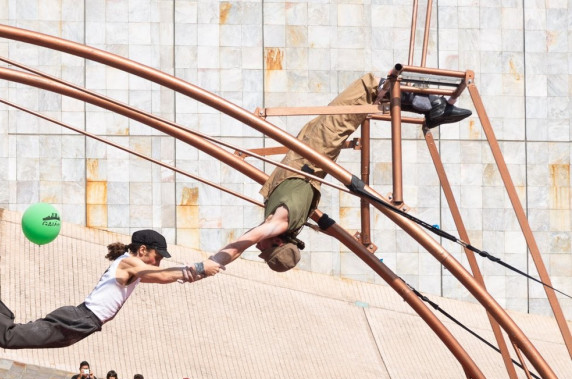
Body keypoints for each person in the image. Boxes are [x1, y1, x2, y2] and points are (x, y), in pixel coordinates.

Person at [195, 74, 470, 277]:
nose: (260, 246)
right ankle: (434, 105)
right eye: (265, 249)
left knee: (347, 108)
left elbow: (246, 240)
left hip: (306, 153)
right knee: (366, 91)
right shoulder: (279, 225)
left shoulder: (279, 225)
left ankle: (432, 105)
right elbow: (243, 243)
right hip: (313, 153)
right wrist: (210, 263)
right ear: (278, 242)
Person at [0, 230, 201, 349]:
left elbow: (163, 275)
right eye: (158, 255)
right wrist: (195, 269)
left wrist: (199, 272)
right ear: (143, 250)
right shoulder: (130, 263)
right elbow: (164, 274)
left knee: (13, 329)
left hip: (80, 324)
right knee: (8, 338)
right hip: (80, 320)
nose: (160, 260)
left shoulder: (135, 270)